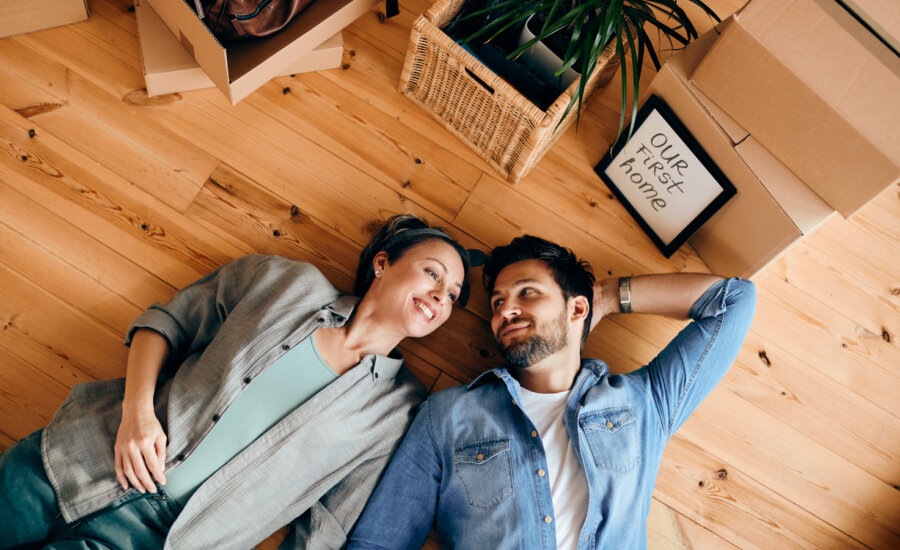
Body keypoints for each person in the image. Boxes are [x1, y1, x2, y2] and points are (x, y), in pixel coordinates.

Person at [0, 214, 480, 550]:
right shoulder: (287, 283)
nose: (441, 296)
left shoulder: (400, 410)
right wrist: (137, 413)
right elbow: (166, 323)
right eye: (432, 274)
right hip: (76, 461)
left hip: (160, 540)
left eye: (453, 296)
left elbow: (327, 526)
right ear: (383, 263)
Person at [347, 235, 757, 550]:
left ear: (577, 309)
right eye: (497, 302)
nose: (505, 310)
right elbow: (379, 541)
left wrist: (604, 296)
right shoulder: (447, 416)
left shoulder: (643, 403)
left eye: (527, 293)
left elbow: (734, 300)